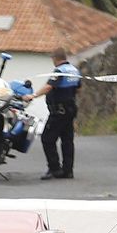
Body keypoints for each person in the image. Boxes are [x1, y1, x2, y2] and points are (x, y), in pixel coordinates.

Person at [33, 48, 81, 181]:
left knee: (47, 139)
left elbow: (49, 87)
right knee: (67, 140)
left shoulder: (59, 71)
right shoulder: (74, 70)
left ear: (55, 58)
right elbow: (79, 89)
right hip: (70, 109)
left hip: (59, 111)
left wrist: (33, 95)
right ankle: (68, 170)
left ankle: (55, 169)